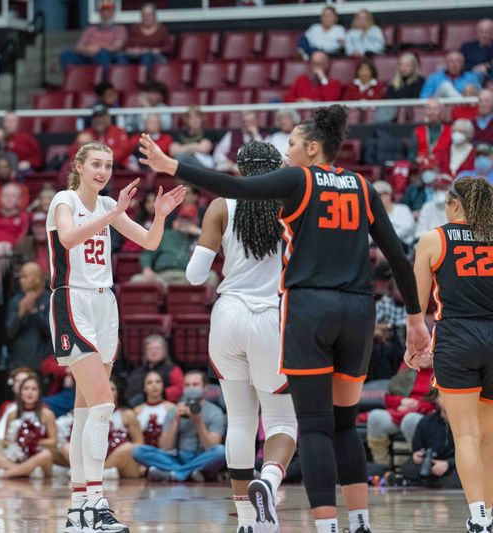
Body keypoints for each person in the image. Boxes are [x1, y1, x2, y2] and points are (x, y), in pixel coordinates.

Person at [139, 104, 431, 533]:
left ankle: (271, 521)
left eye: (292, 142)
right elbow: (396, 256)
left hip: (286, 311)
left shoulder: (291, 185)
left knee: (279, 423)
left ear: (312, 148)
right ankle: (357, 520)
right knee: (331, 423)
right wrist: (416, 317)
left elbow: (221, 206)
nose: (287, 149)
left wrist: (173, 166)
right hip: (338, 310)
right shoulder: (362, 187)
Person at [47, 142, 184, 532]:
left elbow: (150, 243)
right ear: (79, 165)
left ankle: (78, 509)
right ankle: (96, 501)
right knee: (105, 404)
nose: (103, 171)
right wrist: (115, 213)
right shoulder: (64, 199)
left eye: (107, 165)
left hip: (105, 304)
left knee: (87, 409)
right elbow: (70, 239)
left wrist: (158, 216)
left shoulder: (109, 206)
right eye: (95, 164)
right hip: (72, 300)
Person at [186, 140, 298, 532]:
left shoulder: (221, 205)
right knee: (283, 419)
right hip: (271, 316)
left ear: (238, 168)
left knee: (240, 419)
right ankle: (267, 481)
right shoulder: (290, 206)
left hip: (228, 315)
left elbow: (195, 276)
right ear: (277, 167)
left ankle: (248, 522)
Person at [408, 176, 493, 531]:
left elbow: (416, 305)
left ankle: (479, 517)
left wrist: (414, 345)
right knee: (488, 437)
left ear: (456, 205)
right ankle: (489, 514)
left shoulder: (433, 239)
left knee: (467, 436)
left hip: (457, 337)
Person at [131, 370, 226, 482]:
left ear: (205, 387)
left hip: (201, 457)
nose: (191, 388)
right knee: (138, 451)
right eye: (187, 385)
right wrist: (175, 421)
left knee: (221, 451)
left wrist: (198, 422)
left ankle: (176, 474)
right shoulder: (174, 410)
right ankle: (188, 473)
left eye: (195, 385)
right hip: (176, 457)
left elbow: (211, 446)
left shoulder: (214, 412)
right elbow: (165, 447)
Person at [0, 375, 57, 479]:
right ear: (20, 392)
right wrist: (18, 443)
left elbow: (54, 441)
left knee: (46, 455)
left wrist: (33, 441)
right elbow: (5, 441)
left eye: (34, 389)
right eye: (26, 389)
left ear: (39, 392)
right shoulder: (12, 414)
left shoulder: (47, 414)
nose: (30, 392)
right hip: (17, 455)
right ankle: (28, 471)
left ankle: (4, 474)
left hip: (37, 455)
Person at [364, 362, 435, 468]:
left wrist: (417, 406)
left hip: (427, 415)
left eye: (427, 348)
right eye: (420, 349)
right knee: (375, 417)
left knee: (410, 419)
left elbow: (440, 402)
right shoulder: (407, 368)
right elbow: (388, 398)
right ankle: (382, 466)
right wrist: (402, 401)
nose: (423, 352)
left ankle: (419, 463)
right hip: (401, 411)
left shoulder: (441, 370)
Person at [131, 206, 216, 289]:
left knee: (212, 276)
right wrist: (147, 269)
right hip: (161, 278)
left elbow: (215, 246)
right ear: (178, 220)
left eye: (189, 219)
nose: (185, 222)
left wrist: (198, 232)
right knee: (136, 280)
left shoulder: (199, 239)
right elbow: (147, 254)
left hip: (186, 279)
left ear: (196, 221)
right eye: (183, 218)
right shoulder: (166, 234)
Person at [0, 183, 30, 304]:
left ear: (18, 200)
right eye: (6, 195)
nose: (9, 198)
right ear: (0, 197)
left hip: (9, 251)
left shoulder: (23, 217)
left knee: (1, 249)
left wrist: (13, 247)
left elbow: (21, 237)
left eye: (13, 196)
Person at [398, 398, 461, 489]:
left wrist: (447, 464)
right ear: (437, 400)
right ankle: (430, 481)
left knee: (459, 478)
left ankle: (416, 481)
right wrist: (417, 455)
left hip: (453, 464)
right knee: (407, 468)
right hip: (431, 463)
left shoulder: (465, 424)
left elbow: (470, 453)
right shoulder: (427, 421)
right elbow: (417, 447)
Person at [6, 262, 52, 372]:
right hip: (18, 363)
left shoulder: (50, 299)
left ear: (37, 279)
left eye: (25, 277)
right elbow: (9, 333)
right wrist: (20, 313)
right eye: (21, 277)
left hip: (44, 364)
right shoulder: (16, 300)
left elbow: (51, 331)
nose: (21, 280)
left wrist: (34, 311)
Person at [60, 1, 126, 71]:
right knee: (66, 54)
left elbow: (117, 46)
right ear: (100, 13)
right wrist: (88, 49)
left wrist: (98, 49)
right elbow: (78, 46)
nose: (105, 13)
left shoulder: (119, 29)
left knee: (102, 54)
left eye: (108, 11)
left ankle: (103, 81)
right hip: (87, 55)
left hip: (106, 56)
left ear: (113, 13)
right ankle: (73, 80)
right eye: (103, 11)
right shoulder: (90, 29)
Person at [125, 335, 184, 405]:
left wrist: (154, 395)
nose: (153, 351)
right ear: (145, 352)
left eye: (157, 348)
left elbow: (178, 389)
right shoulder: (137, 371)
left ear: (164, 351)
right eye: (150, 349)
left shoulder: (173, 370)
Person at [121, 2, 172, 69]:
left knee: (146, 57)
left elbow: (169, 47)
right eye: (144, 15)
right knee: (121, 57)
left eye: (149, 15)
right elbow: (126, 46)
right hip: (136, 56)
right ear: (141, 16)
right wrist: (131, 49)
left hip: (153, 56)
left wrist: (157, 50)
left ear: (154, 16)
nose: (147, 17)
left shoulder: (162, 30)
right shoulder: (134, 28)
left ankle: (145, 78)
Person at [133, 371, 175, 447]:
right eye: (149, 382)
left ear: (163, 385)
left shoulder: (172, 408)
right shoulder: (136, 411)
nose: (154, 385)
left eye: (158, 382)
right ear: (144, 388)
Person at [409, 99, 451, 169]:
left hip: (443, 168)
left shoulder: (450, 130)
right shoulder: (418, 131)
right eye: (429, 108)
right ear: (425, 111)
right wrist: (416, 159)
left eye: (435, 109)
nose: (432, 112)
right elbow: (411, 155)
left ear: (441, 111)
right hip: (421, 169)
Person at [373, 180, 415, 248]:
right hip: (379, 245)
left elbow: (408, 228)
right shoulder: (373, 214)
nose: (383, 197)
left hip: (403, 245)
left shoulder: (403, 209)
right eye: (379, 195)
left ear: (390, 195)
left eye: (386, 193)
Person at [414, 173, 452, 240]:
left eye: (442, 188)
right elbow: (419, 233)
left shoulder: (458, 208)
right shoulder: (428, 206)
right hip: (432, 244)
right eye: (435, 189)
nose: (438, 191)